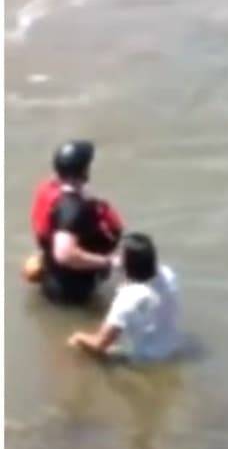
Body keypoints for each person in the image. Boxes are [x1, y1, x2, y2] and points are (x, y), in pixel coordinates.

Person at [29, 140, 125, 306]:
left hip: (53, 274)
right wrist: (109, 262)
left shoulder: (50, 188)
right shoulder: (72, 208)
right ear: (84, 170)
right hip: (73, 290)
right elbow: (65, 255)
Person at [68, 232, 181, 363]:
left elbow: (99, 344)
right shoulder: (168, 274)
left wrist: (79, 337)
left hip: (145, 359)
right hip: (171, 347)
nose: (114, 257)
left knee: (76, 344)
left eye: (118, 255)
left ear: (127, 264)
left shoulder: (127, 298)